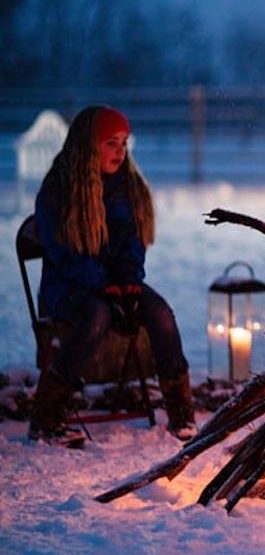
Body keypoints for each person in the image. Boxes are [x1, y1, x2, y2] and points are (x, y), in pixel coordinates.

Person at [29, 105, 196, 446]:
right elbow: (65, 253)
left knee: (161, 314)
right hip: (68, 285)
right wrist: (104, 287)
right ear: (88, 145)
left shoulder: (126, 187)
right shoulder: (59, 190)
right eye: (111, 143)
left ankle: (181, 411)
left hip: (115, 283)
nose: (120, 151)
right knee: (97, 314)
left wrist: (129, 282)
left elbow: (131, 243)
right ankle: (46, 417)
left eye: (124, 142)